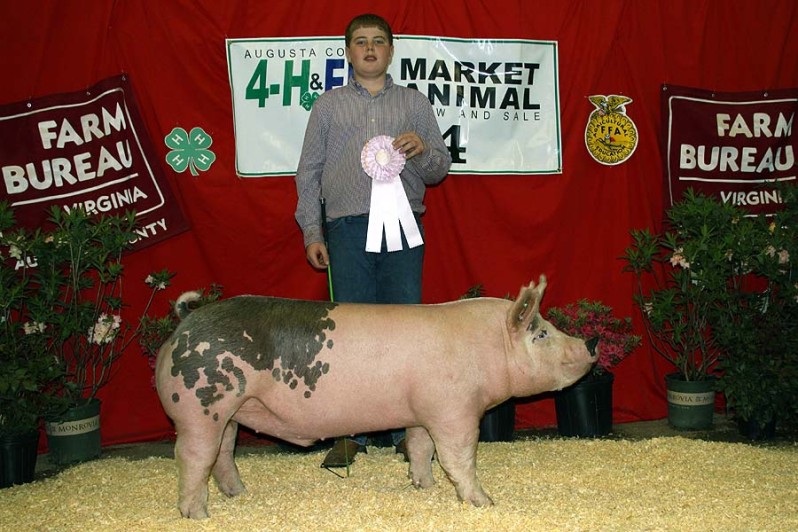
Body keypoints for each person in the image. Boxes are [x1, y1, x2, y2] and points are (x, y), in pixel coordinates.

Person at [294, 13, 452, 468]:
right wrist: (312, 231)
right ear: (348, 52)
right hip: (346, 228)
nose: (369, 49)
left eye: (377, 41)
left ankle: (408, 432)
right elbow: (309, 172)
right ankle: (351, 433)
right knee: (350, 334)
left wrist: (423, 150)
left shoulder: (414, 104)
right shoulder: (327, 106)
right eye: (360, 42)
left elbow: (439, 167)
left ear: (390, 51)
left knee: (405, 332)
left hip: (404, 227)